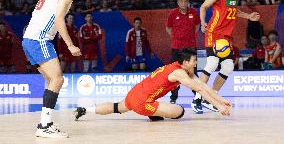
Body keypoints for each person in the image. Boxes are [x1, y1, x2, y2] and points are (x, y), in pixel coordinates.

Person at [74, 48, 232, 121]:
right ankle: (153, 113)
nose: (196, 62)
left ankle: (85, 110)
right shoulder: (179, 73)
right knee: (180, 112)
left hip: (134, 93)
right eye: (194, 60)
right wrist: (219, 108)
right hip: (142, 101)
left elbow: (203, 86)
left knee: (117, 107)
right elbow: (199, 89)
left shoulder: (179, 68)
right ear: (185, 62)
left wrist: (220, 100)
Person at [22, 0, 86, 138]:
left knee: (51, 81)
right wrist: (70, 44)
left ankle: (45, 123)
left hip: (29, 38)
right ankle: (44, 127)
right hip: (39, 39)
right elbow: (59, 19)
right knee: (57, 79)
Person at [193, 0, 260, 114]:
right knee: (211, 64)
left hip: (226, 35)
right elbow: (203, 7)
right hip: (214, 31)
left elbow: (234, 10)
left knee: (228, 67)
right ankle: (197, 99)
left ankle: (210, 97)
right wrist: (203, 22)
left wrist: (248, 16)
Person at [165, 0, 200, 107]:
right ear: (178, 3)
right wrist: (175, 38)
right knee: (175, 73)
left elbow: (197, 25)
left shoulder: (194, 12)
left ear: (188, 2)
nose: (183, 3)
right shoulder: (173, 13)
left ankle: (197, 97)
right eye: (181, 1)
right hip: (176, 47)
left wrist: (191, 37)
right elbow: (168, 28)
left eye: (185, 1)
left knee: (192, 72)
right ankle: (173, 97)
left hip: (191, 47)